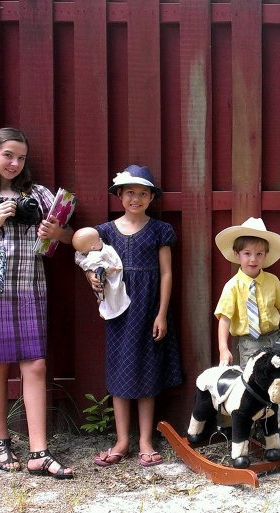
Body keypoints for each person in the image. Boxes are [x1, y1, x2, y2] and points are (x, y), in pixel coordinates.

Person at [0, 127, 74, 479]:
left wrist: (58, 234)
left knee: (35, 364)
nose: (14, 163)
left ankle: (39, 451)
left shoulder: (38, 194)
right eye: (8, 155)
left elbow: (65, 238)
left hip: (29, 287)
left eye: (21, 157)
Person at [87, 165, 184, 468]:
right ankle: (122, 440)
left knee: (147, 371)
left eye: (143, 193)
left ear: (151, 197)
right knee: (119, 372)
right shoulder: (104, 231)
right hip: (118, 310)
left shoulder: (159, 230)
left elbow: (167, 273)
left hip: (148, 309)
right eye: (130, 192)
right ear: (119, 195)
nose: (136, 198)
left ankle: (144, 440)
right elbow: (92, 262)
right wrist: (92, 276)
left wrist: (162, 314)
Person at [213, 217, 280, 366]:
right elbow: (224, 319)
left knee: (278, 378)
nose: (253, 259)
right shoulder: (232, 286)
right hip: (249, 343)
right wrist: (223, 349)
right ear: (237, 254)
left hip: (275, 338)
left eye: (259, 254)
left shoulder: (272, 281)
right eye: (247, 254)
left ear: (265, 255)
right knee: (253, 381)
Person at [72, 227, 131, 319]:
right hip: (107, 278)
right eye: (98, 239)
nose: (101, 239)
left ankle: (105, 309)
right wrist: (114, 268)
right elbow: (104, 267)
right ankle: (107, 311)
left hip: (103, 279)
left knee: (107, 295)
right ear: (93, 247)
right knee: (111, 293)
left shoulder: (92, 253)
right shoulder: (94, 256)